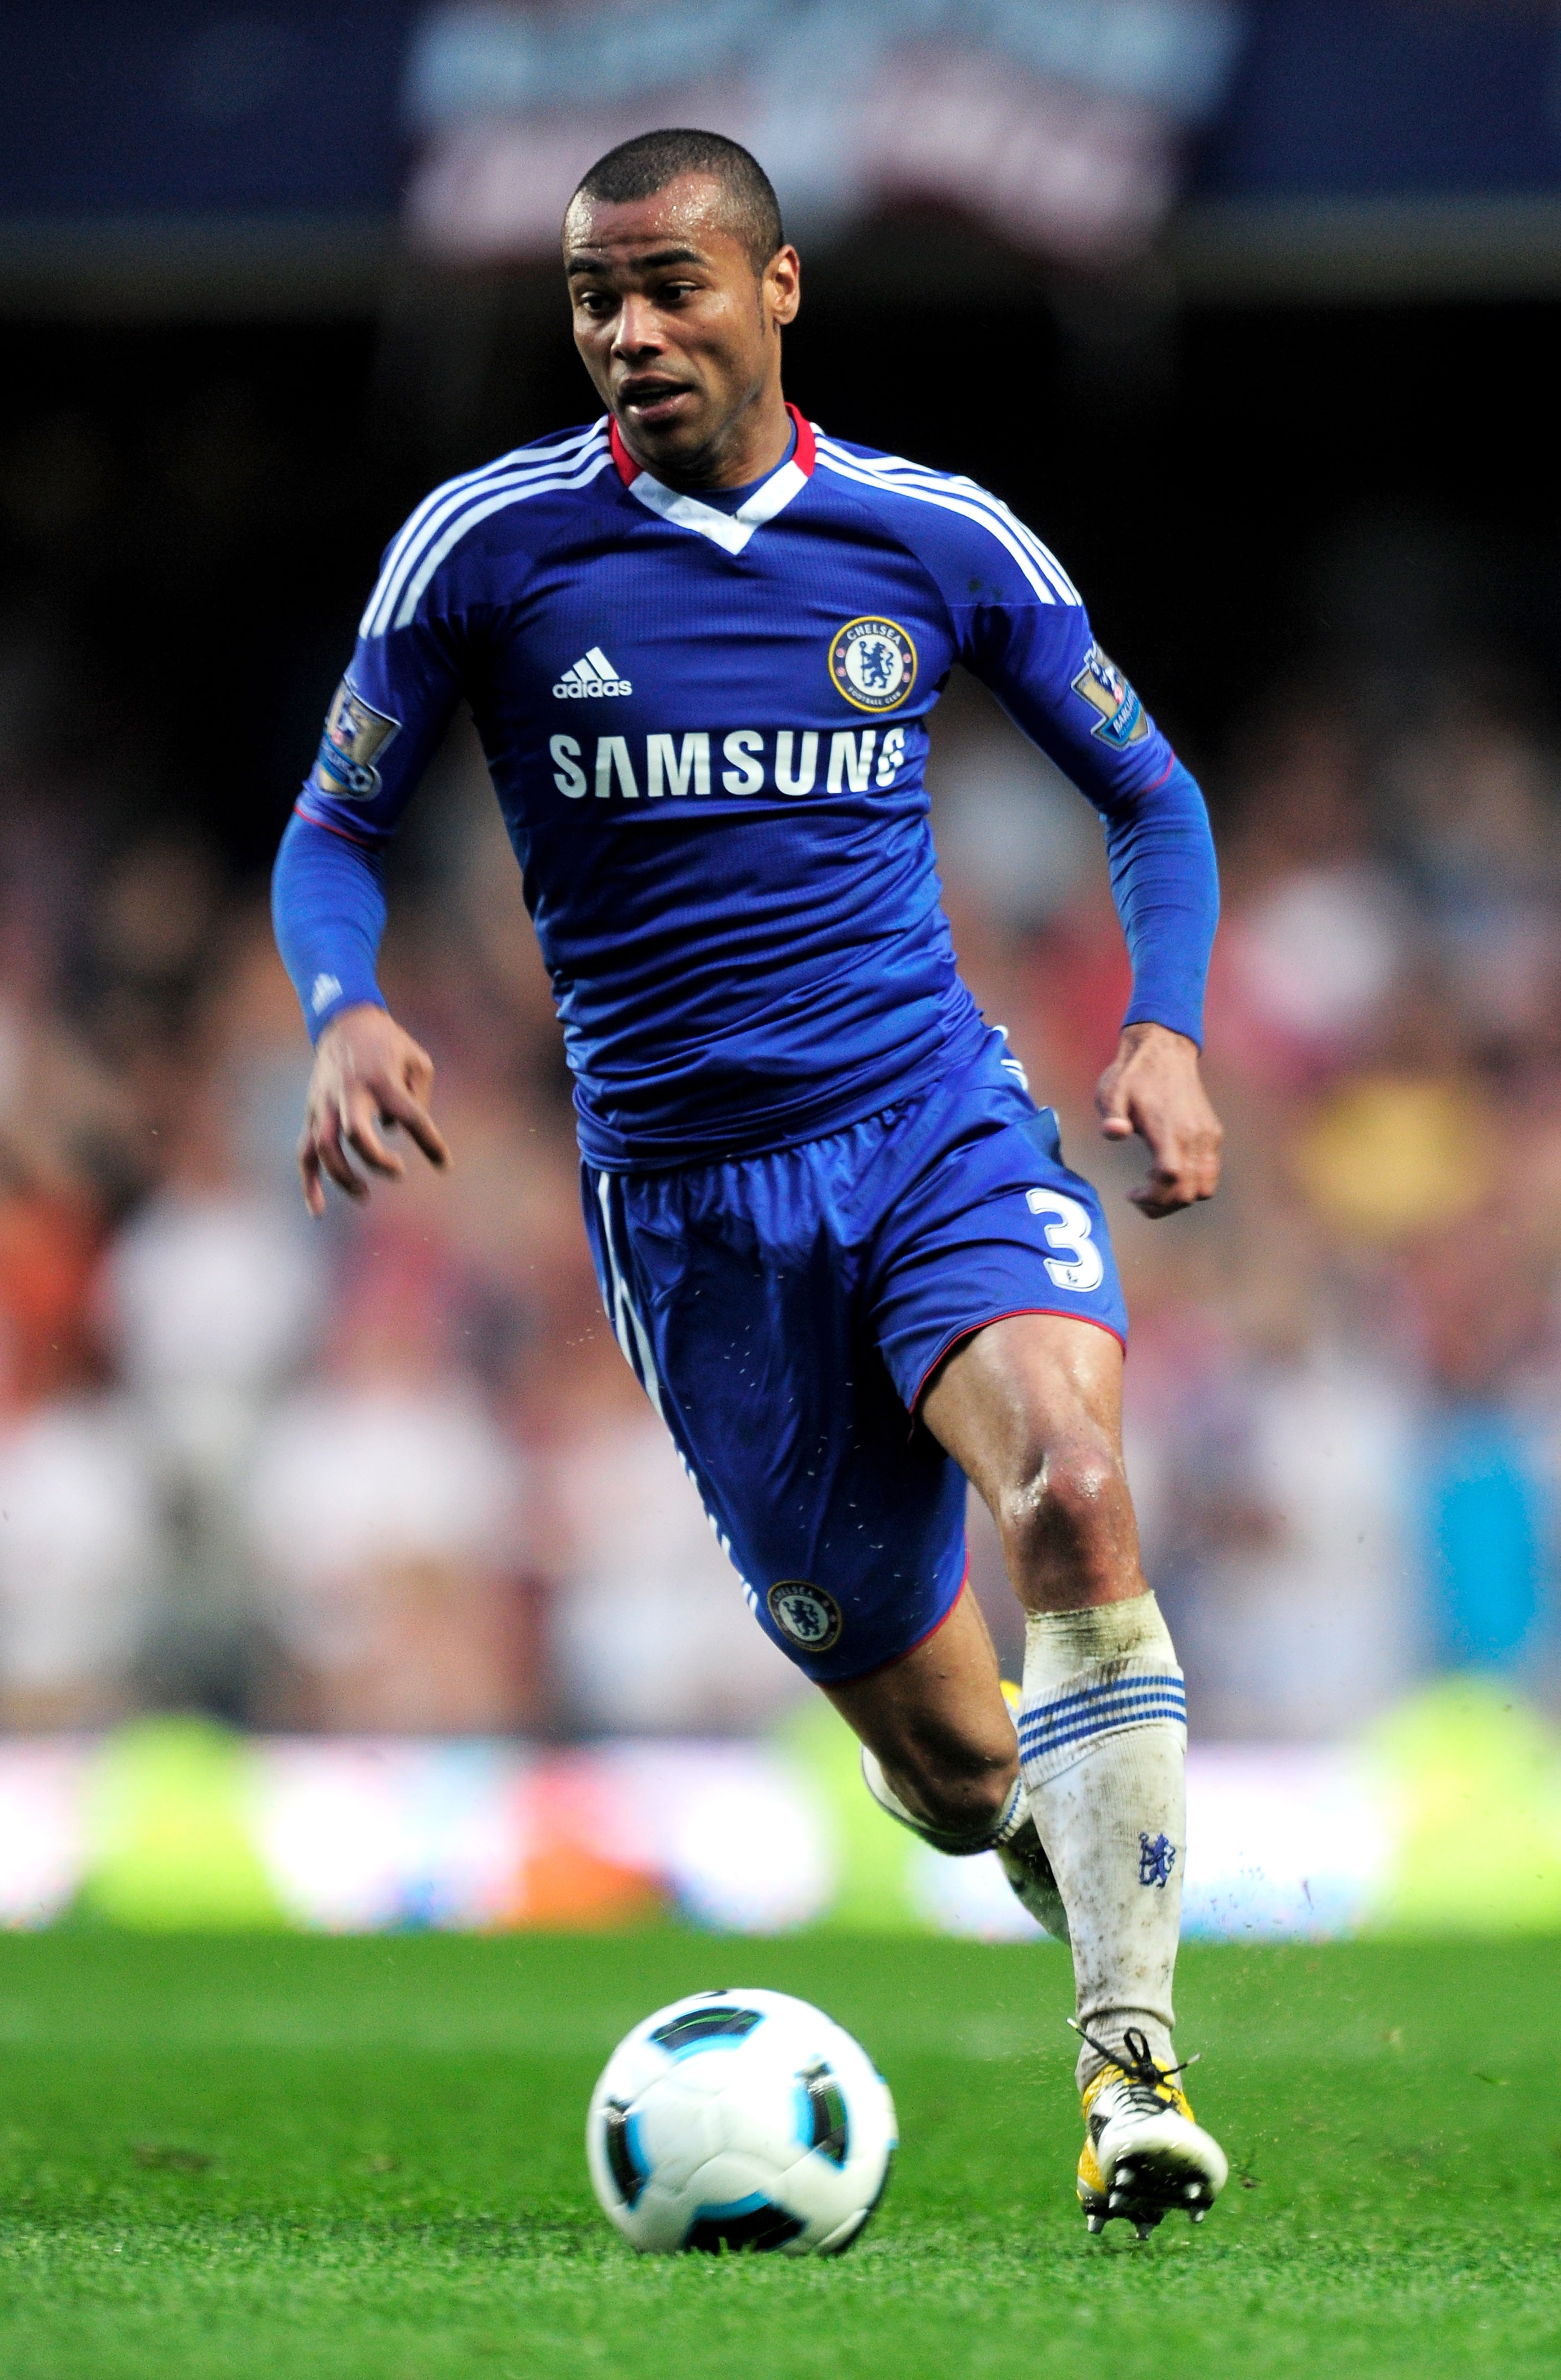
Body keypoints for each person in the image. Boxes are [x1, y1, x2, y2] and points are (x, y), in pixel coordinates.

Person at [272, 128, 1226, 2239]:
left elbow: (1151, 796)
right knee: (965, 1769)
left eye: (672, 288)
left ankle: (1130, 2067)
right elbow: (332, 827)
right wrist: (341, 1002)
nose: (628, 334)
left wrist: (1161, 1019)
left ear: (779, 289)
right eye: (595, 297)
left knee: (1069, 1480)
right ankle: (1080, 1857)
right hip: (695, 1219)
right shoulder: (487, 547)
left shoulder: (932, 536)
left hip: (929, 1124)